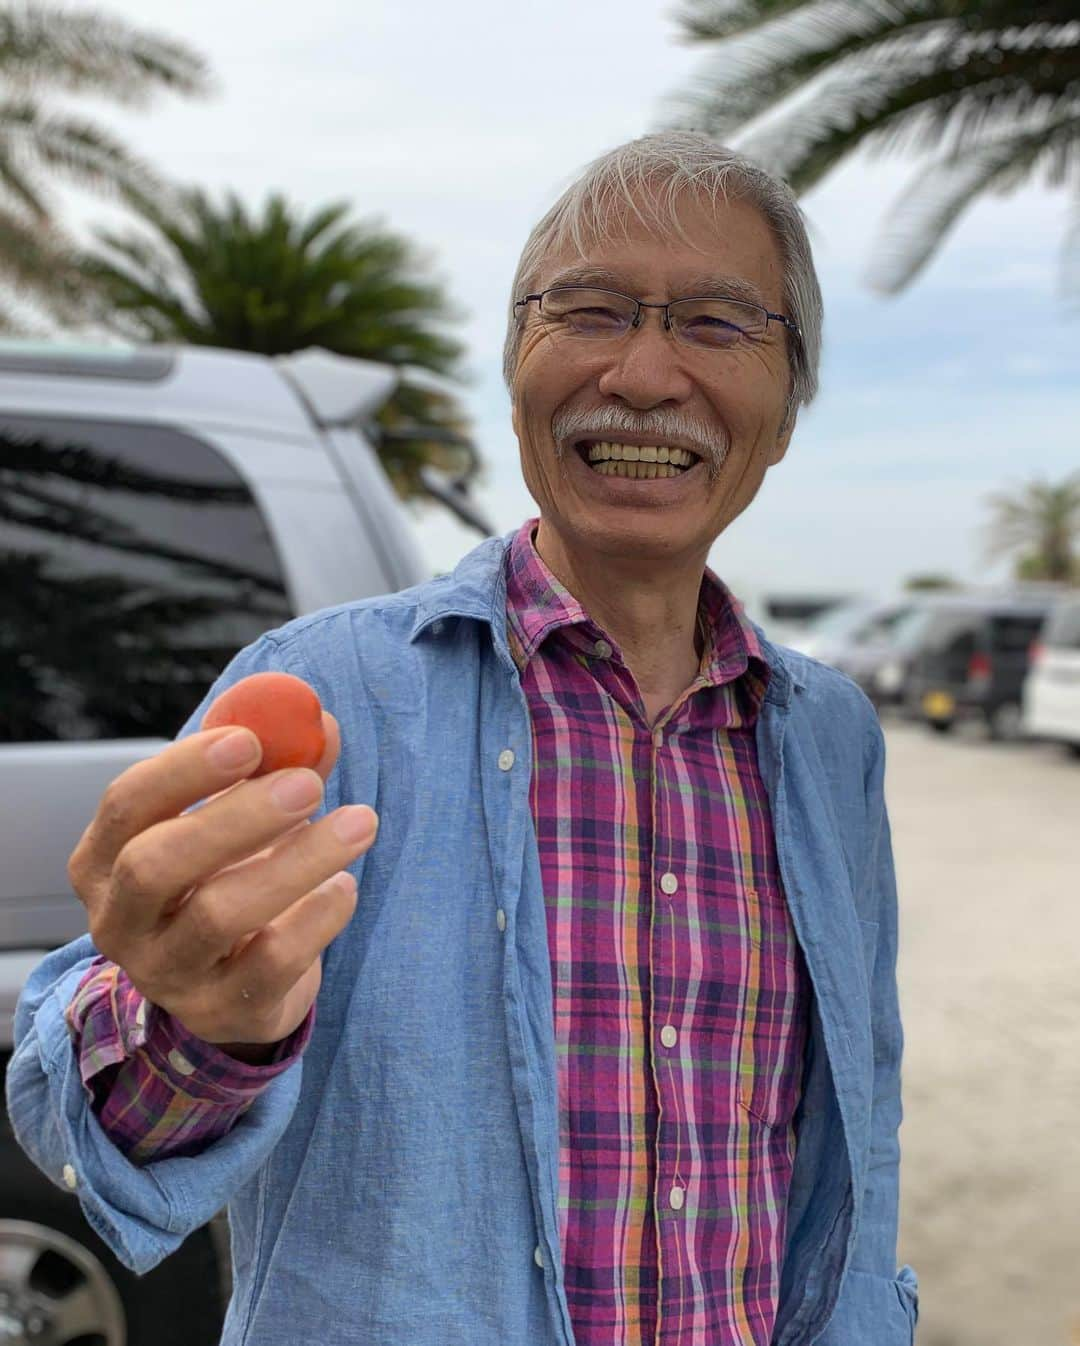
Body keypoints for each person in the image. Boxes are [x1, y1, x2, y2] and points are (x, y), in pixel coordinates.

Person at [8, 131, 918, 1345]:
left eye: (716, 325)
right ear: (516, 366)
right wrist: (195, 1021)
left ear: (788, 405)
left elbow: (861, 1104)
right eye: (590, 311)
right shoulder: (325, 689)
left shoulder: (832, 740)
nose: (645, 375)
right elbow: (95, 1124)